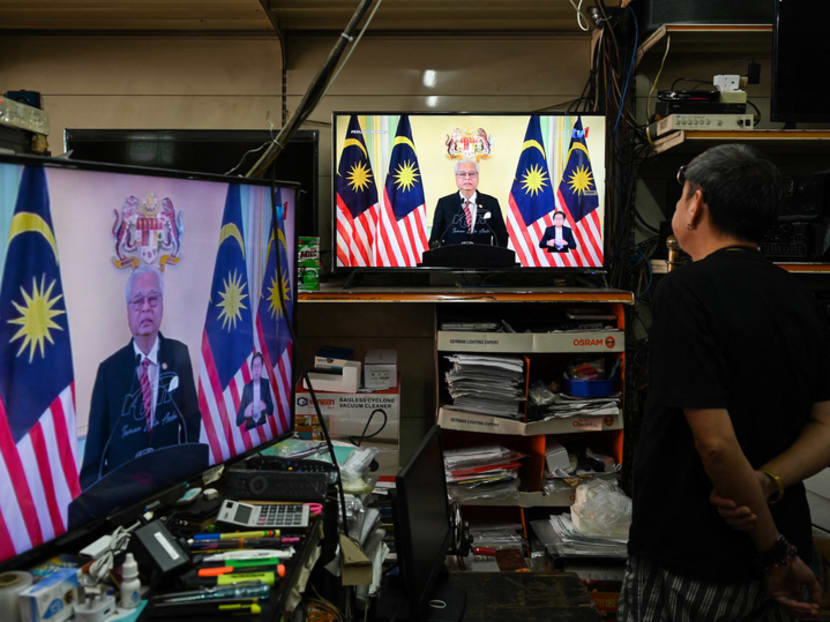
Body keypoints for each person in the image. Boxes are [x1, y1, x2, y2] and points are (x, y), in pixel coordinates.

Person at [620, 144, 830, 621]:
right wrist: (766, 482)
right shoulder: (800, 296)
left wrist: (772, 552)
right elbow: (826, 426)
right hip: (786, 534)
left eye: (679, 198)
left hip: (699, 551)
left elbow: (715, 445)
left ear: (696, 204)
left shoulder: (684, 293)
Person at [79, 265, 201, 490]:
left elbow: (192, 425)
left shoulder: (178, 356)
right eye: (138, 301)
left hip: (170, 489)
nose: (146, 308)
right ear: (128, 310)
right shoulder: (109, 372)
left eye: (153, 299)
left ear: (162, 305)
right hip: (124, 497)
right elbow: (93, 459)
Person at [428, 159, 508, 248]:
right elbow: (435, 238)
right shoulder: (444, 203)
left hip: (484, 259)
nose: (467, 177)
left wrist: (498, 258)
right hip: (451, 259)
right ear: (456, 177)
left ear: (478, 176)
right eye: (462, 174)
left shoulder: (491, 203)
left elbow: (501, 236)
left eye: (471, 173)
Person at [236, 352, 274, 430]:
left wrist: (265, 406)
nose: (256, 369)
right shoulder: (246, 388)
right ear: (251, 368)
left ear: (262, 367)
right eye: (254, 366)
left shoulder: (266, 384)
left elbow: (271, 410)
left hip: (263, 428)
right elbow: (238, 421)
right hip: (250, 430)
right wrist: (245, 414)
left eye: (259, 365)